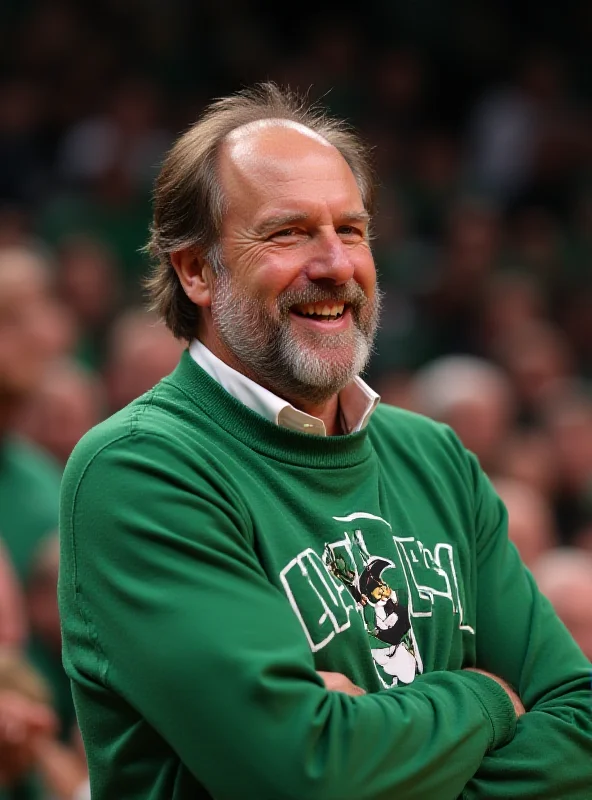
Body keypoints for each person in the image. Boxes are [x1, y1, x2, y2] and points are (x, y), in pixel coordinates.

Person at [59, 83, 592, 800]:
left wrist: (372, 741)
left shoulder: (434, 456)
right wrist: (487, 699)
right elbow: (303, 772)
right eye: (288, 233)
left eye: (352, 229)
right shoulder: (139, 469)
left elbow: (581, 725)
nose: (336, 264)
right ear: (194, 271)